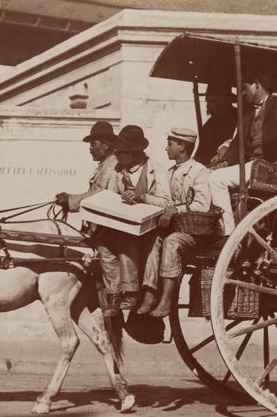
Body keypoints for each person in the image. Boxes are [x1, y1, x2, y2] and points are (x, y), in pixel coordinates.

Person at [208, 72, 277, 234]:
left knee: (216, 180)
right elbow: (238, 142)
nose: (242, 93)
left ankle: (228, 233)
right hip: (254, 166)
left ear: (257, 84)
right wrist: (226, 161)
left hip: (270, 167)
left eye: (244, 88)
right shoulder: (249, 112)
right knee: (208, 173)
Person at [135, 127, 212, 317]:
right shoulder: (168, 172)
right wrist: (143, 198)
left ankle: (166, 301)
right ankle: (149, 294)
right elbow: (163, 200)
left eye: (170, 144)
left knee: (171, 242)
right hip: (173, 228)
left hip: (195, 235)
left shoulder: (199, 171)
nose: (166, 148)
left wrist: (176, 210)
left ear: (182, 146)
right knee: (151, 239)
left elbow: (202, 205)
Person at [94, 124, 169, 311]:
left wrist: (141, 197)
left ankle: (132, 290)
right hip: (124, 223)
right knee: (103, 244)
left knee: (126, 239)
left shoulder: (156, 170)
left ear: (134, 153)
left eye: (122, 152)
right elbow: (110, 195)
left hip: (153, 226)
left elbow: (166, 202)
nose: (117, 156)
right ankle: (113, 292)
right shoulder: (118, 171)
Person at [54, 120, 118, 211]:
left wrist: (69, 200)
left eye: (94, 144)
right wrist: (69, 197)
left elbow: (98, 195)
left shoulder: (112, 165)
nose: (90, 148)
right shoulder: (106, 163)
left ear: (106, 145)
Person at [193, 85, 238, 166]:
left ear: (222, 102)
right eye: (207, 102)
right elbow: (200, 156)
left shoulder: (241, 118)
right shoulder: (208, 126)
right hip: (209, 168)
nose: (207, 106)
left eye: (211, 102)